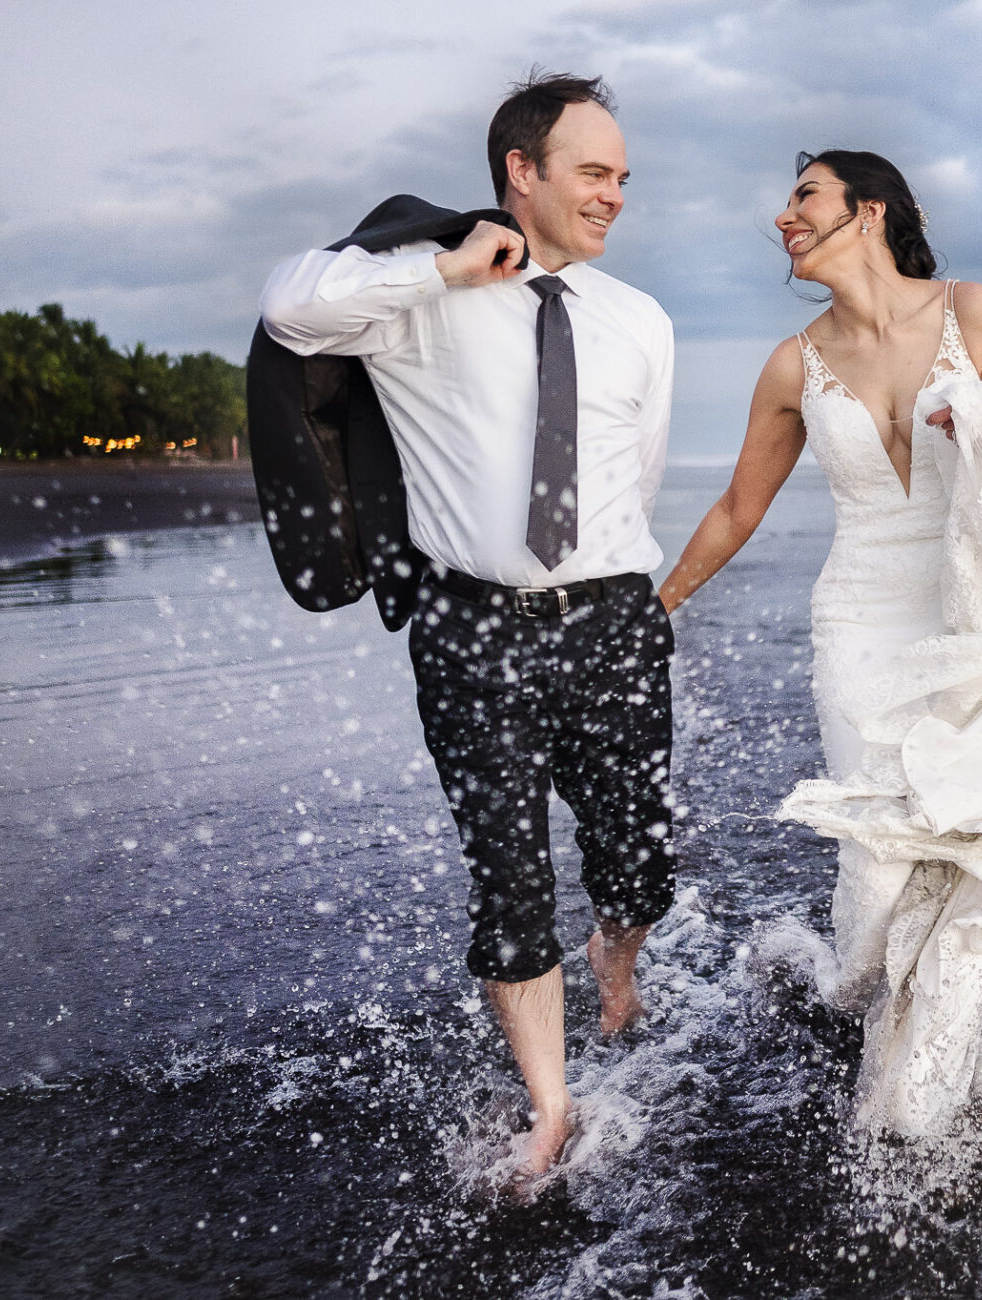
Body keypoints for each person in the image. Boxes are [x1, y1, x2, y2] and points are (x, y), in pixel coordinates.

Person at [659, 150, 982, 1134]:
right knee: (883, 866)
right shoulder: (790, 363)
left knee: (978, 850)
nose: (783, 217)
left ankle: (913, 1108)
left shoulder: (973, 314)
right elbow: (735, 507)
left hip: (977, 619)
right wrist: (658, 603)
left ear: (870, 211)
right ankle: (851, 991)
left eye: (802, 196)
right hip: (860, 624)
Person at [259, 74, 677, 1179]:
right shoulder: (419, 299)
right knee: (509, 878)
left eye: (623, 178)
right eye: (594, 173)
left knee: (640, 861)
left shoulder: (640, 320)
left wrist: (610, 594)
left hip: (615, 621)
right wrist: (440, 266)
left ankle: (617, 949)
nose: (614, 196)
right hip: (471, 631)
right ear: (520, 174)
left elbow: (633, 481)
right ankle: (551, 1103)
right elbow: (290, 302)